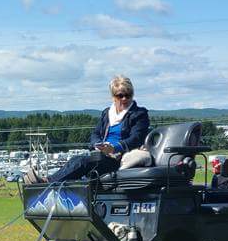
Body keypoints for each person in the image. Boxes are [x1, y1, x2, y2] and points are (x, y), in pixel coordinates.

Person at [23, 75, 151, 184]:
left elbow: (136, 138)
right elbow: (95, 133)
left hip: (119, 157)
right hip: (102, 154)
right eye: (120, 95)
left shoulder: (139, 114)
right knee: (76, 160)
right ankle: (53, 183)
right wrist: (97, 145)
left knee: (83, 162)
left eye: (128, 95)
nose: (124, 99)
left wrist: (114, 147)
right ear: (113, 97)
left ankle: (47, 182)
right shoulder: (107, 113)